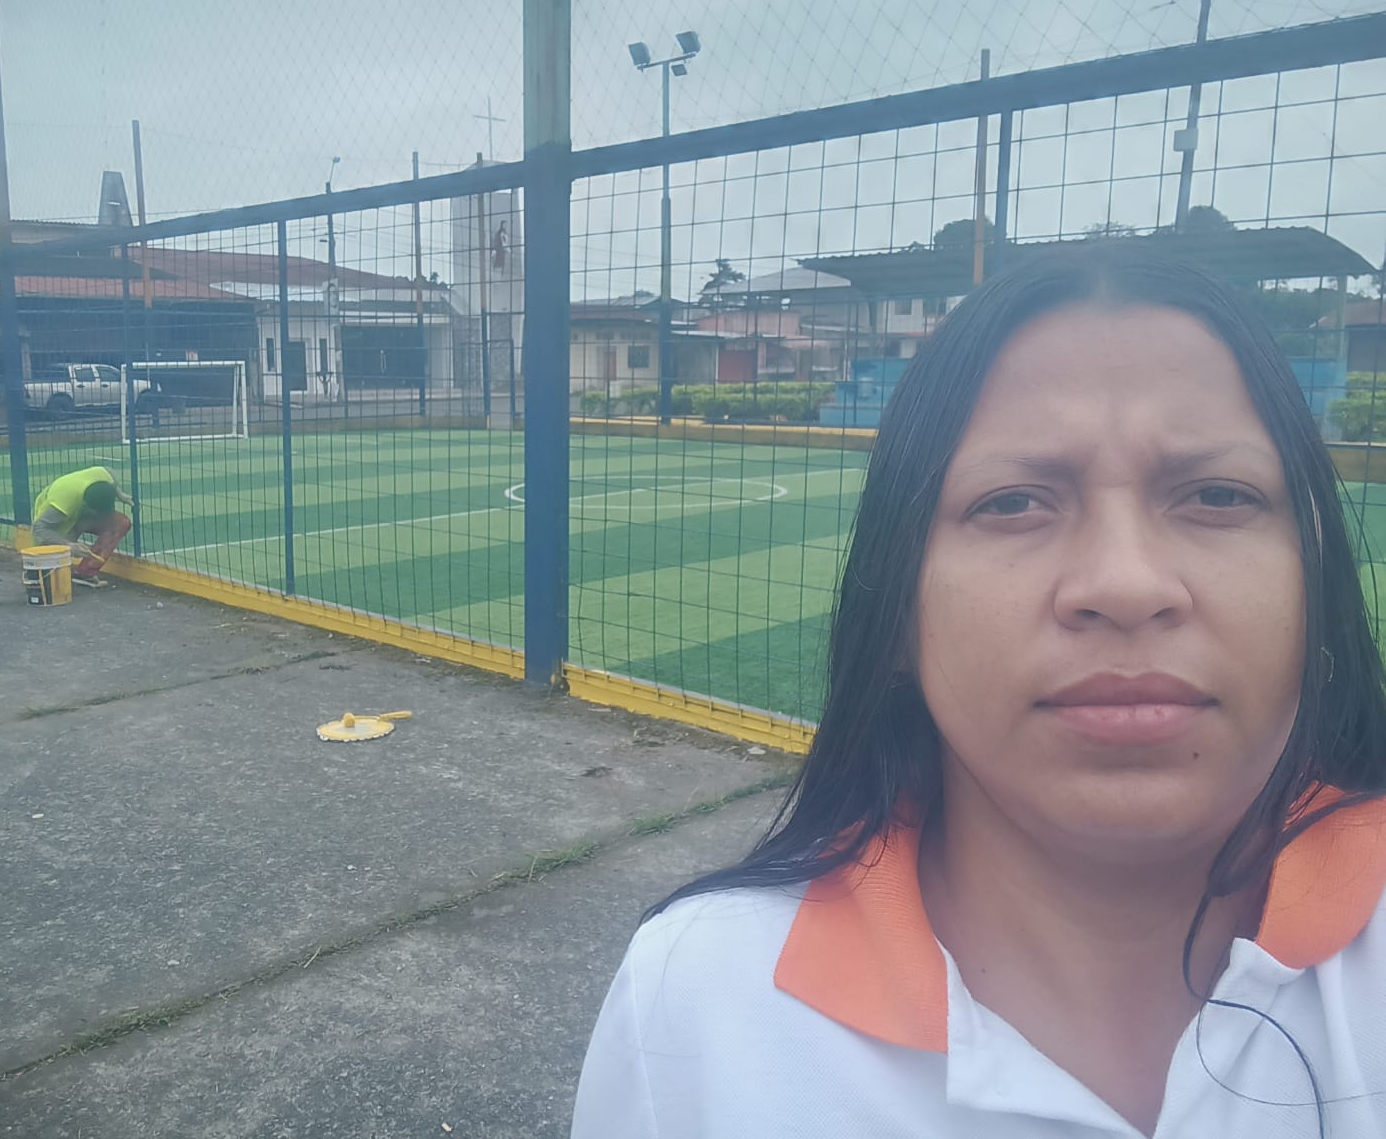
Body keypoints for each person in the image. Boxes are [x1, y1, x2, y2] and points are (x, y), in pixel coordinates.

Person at [572, 249, 1386, 1138]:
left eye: (1219, 495)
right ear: (896, 612)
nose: (1124, 583)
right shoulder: (697, 997)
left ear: (1316, 584)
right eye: (1010, 503)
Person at [31, 465, 133, 587]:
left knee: (121, 523)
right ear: (86, 505)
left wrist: (119, 494)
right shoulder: (62, 504)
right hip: (57, 522)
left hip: (80, 512)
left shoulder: (105, 476)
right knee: (51, 576)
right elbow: (39, 528)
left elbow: (111, 475)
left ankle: (84, 573)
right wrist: (69, 545)